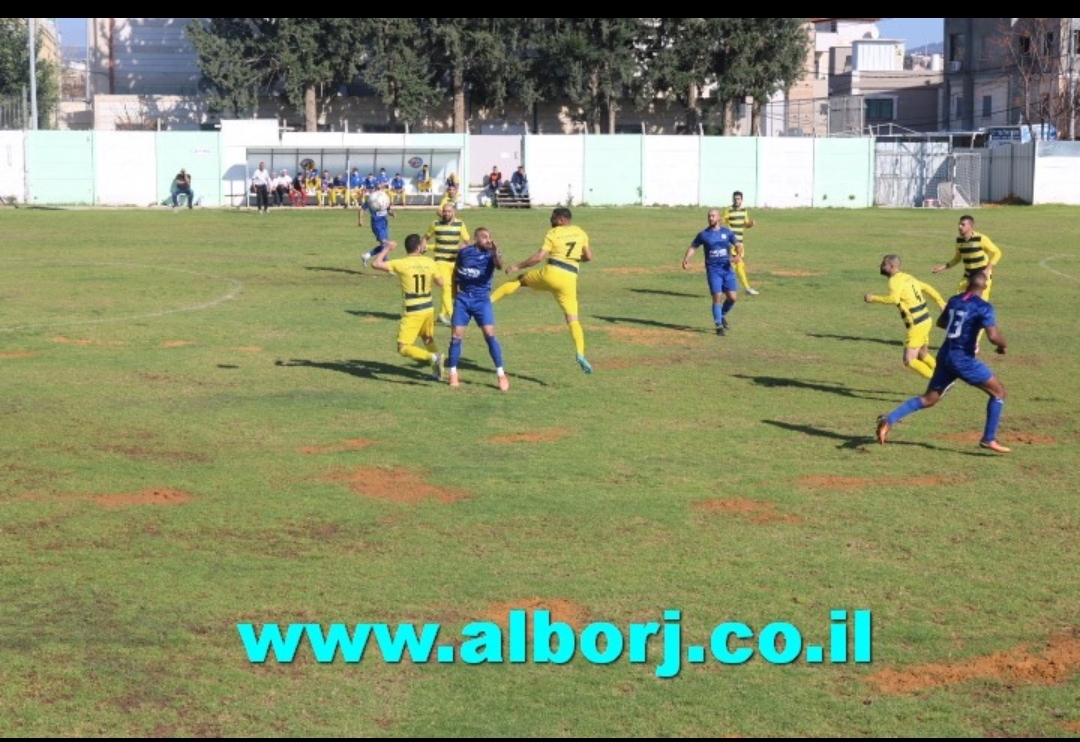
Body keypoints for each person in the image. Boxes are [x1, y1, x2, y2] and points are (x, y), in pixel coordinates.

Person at [876, 270, 1010, 454]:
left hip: (945, 355)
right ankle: (989, 438)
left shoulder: (954, 300)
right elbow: (993, 336)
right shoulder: (984, 307)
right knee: (999, 393)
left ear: (968, 283)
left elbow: (941, 322)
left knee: (928, 399)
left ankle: (888, 420)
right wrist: (1003, 345)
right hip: (963, 359)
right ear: (985, 285)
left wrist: (960, 326)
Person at [491, 206, 594, 373]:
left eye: (553, 217)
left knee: (520, 281)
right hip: (570, 279)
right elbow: (589, 257)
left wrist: (517, 266)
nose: (550, 220)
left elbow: (539, 257)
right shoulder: (580, 232)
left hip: (552, 273)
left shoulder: (553, 233)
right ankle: (580, 353)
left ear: (561, 220)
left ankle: (488, 301)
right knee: (573, 319)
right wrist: (574, 258)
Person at [371, 234, 445, 380]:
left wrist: (387, 249)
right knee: (427, 338)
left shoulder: (402, 263)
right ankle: (437, 372)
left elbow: (376, 264)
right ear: (419, 247)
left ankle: (433, 357)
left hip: (413, 310)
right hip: (428, 308)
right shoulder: (430, 262)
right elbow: (441, 283)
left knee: (403, 347)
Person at [864, 254, 947, 380]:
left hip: (916, 325)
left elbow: (893, 299)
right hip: (926, 320)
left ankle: (939, 382)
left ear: (891, 266)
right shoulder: (908, 277)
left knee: (909, 360)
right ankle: (945, 376)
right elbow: (927, 288)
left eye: (883, 264)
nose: (880, 266)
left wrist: (872, 298)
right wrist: (941, 302)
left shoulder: (894, 281)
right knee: (923, 354)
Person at [447, 227, 509, 391]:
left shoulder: (492, 254)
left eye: (489, 237)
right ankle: (453, 372)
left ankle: (501, 374)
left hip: (482, 301)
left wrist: (496, 252)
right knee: (455, 336)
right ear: (476, 238)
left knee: (490, 335)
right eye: (484, 237)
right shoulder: (464, 252)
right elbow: (455, 272)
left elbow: (500, 266)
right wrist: (454, 293)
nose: (488, 240)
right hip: (463, 299)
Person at [932, 214, 1004, 352]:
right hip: (967, 277)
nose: (960, 227)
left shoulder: (981, 239)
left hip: (981, 280)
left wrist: (988, 269)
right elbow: (957, 258)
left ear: (971, 226)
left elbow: (997, 253)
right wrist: (944, 266)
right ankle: (957, 334)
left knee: (978, 309)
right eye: (959, 224)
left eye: (963, 225)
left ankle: (974, 342)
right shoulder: (959, 241)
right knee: (958, 305)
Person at [681, 208, 742, 336]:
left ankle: (722, 314)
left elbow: (738, 245)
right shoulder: (703, 234)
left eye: (713, 216)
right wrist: (686, 259)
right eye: (709, 216)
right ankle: (718, 325)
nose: (711, 218)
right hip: (713, 270)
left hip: (727, 269)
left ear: (719, 218)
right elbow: (693, 247)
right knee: (717, 297)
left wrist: (738, 256)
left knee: (732, 297)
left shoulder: (727, 232)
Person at [424, 203, 471, 325]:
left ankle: (441, 314)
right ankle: (452, 315)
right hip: (441, 261)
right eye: (444, 211)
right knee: (446, 287)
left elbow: (467, 242)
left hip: (455, 262)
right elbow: (425, 237)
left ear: (454, 212)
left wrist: (463, 247)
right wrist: (422, 247)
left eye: (449, 211)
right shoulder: (435, 224)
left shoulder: (460, 224)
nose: (446, 213)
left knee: (453, 290)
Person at [722, 191, 759, 295]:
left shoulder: (744, 211)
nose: (736, 200)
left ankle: (726, 287)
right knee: (736, 265)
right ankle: (727, 287)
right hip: (731, 243)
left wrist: (750, 224)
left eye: (738, 199)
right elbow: (721, 222)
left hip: (740, 243)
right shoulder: (728, 210)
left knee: (738, 265)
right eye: (735, 198)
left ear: (742, 200)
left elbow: (745, 224)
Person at [359, 188, 395, 269]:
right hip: (377, 224)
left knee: (385, 245)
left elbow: (388, 210)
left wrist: (392, 213)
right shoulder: (372, 200)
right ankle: (387, 265)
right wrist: (361, 220)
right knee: (386, 244)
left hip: (384, 224)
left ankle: (366, 256)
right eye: (378, 188)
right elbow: (362, 209)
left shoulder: (384, 199)